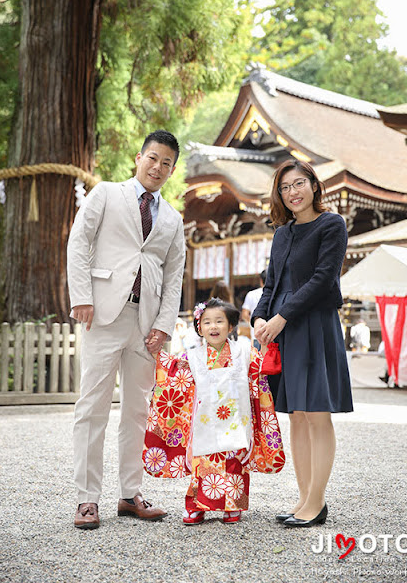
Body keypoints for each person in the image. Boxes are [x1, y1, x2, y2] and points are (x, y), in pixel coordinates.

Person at [67, 129, 186, 530]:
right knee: (92, 406)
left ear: (171, 170)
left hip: (146, 323)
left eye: (166, 163)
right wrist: (81, 295)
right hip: (102, 313)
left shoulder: (172, 218)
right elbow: (79, 241)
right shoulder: (106, 194)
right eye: (153, 158)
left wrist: (164, 325)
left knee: (137, 411)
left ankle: (130, 493)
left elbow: (174, 276)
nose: (158, 167)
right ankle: (87, 499)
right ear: (139, 157)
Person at [252, 159, 353, 528]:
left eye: (299, 184)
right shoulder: (282, 234)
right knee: (296, 414)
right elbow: (270, 284)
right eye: (285, 187)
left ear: (314, 185)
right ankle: (304, 499)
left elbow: (324, 278)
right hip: (283, 330)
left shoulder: (332, 224)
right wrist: (260, 318)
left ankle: (317, 501)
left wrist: (281, 316)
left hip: (313, 324)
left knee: (316, 414)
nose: (292, 192)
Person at [143, 298, 285, 525]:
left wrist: (266, 345)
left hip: (236, 419)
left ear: (231, 326)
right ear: (199, 328)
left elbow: (261, 370)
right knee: (203, 461)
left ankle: (233, 505)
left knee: (233, 460)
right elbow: (172, 372)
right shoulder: (193, 356)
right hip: (205, 420)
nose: (213, 327)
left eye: (219, 321)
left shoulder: (243, 352)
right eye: (207, 322)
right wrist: (158, 354)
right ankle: (196, 506)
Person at [241, 269, 267, 348]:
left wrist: (253, 323)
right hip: (273, 337)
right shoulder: (277, 294)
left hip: (257, 336)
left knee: (258, 359)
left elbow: (244, 314)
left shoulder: (252, 294)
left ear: (261, 280)